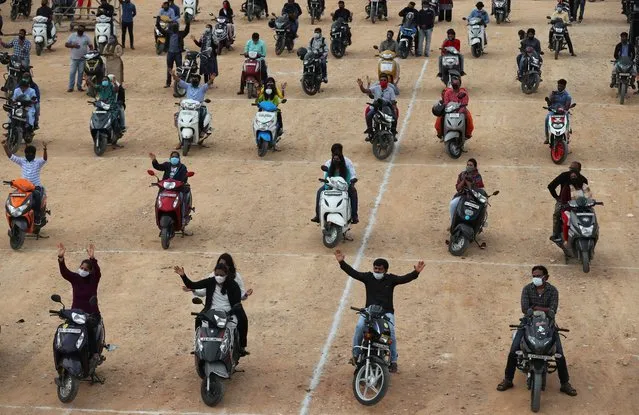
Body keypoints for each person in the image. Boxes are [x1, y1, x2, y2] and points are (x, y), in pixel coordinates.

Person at [335, 249, 424, 373]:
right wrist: (342, 263)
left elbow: (404, 278)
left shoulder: (391, 279)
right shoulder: (368, 277)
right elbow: (353, 273)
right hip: (369, 312)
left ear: (385, 270)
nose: (377, 271)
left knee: (390, 333)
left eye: (380, 269)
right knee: (360, 327)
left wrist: (416, 272)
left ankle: (393, 361)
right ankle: (355, 355)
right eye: (375, 268)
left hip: (386, 313)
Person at [496, 266, 578, 397]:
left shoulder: (553, 291)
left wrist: (534, 308)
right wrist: (540, 309)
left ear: (546, 277)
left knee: (559, 355)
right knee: (513, 351)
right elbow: (525, 309)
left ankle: (565, 384)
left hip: (548, 325)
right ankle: (508, 379)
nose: (536, 278)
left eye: (539, 276)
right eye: (534, 275)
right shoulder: (527, 289)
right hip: (527, 323)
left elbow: (552, 310)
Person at [174, 263, 250, 356]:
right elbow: (192, 285)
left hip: (228, 312)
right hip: (211, 310)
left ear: (226, 275)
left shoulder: (233, 285)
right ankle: (197, 345)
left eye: (221, 275)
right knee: (198, 319)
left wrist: (233, 310)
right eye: (217, 274)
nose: (218, 277)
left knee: (240, 322)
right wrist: (183, 276)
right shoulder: (210, 281)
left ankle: (240, 347)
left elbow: (237, 302)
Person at [57, 243, 104, 360]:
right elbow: (65, 272)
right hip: (76, 314)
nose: (82, 270)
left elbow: (97, 272)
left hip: (91, 315)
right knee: (66, 329)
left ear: (90, 271)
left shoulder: (93, 279)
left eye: (86, 269)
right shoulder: (76, 278)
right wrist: (61, 258)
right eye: (81, 268)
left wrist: (92, 258)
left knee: (89, 330)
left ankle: (94, 354)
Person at [311, 143, 359, 224]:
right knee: (319, 192)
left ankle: (354, 216)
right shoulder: (328, 163)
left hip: (344, 186)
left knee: (353, 192)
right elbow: (326, 177)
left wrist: (351, 182)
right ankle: (318, 215)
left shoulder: (347, 162)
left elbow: (352, 175)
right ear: (332, 153)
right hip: (331, 185)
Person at [2, 142, 47, 223]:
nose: (29, 155)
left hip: (35, 187)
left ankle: (37, 217)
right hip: (23, 187)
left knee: (37, 197)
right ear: (25, 154)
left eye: (31, 154)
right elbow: (11, 156)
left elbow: (44, 159)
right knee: (14, 197)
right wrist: (5, 146)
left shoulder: (38, 162)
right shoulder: (22, 161)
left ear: (34, 154)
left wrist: (45, 149)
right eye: (28, 153)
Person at [171, 71, 214, 145]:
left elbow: (208, 83)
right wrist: (173, 75)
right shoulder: (187, 86)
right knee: (178, 118)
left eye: (196, 79)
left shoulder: (202, 88)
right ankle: (180, 140)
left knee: (202, 120)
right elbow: (178, 80)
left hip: (198, 109)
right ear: (191, 80)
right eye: (193, 78)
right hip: (186, 108)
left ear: (199, 81)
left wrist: (212, 79)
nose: (194, 80)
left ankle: (202, 133)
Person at [547, 161, 587, 242]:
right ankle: (556, 234)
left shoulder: (583, 180)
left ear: (579, 170)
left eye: (574, 170)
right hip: (564, 202)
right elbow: (551, 186)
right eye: (571, 170)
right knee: (557, 214)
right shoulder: (565, 176)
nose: (572, 173)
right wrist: (557, 197)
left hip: (577, 203)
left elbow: (586, 193)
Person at [149, 152, 193, 222]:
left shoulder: (182, 167)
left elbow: (185, 178)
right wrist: (154, 160)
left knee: (182, 199)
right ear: (170, 158)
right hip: (165, 188)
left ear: (179, 159)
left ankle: (184, 217)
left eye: (176, 157)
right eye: (173, 157)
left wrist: (183, 180)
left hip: (177, 188)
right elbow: (158, 167)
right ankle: (158, 216)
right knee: (158, 200)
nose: (174, 158)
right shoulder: (167, 165)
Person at [358, 74, 398, 139]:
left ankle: (393, 133)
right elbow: (365, 91)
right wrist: (361, 86)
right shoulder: (376, 88)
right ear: (379, 81)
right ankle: (370, 132)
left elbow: (393, 101)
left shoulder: (391, 90)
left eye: (384, 80)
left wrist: (394, 109)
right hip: (376, 107)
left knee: (394, 118)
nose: (383, 81)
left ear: (387, 81)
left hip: (387, 107)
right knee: (368, 116)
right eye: (381, 80)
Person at [156, 18, 190, 88]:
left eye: (175, 26)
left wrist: (188, 23)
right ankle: (168, 83)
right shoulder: (168, 33)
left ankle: (180, 83)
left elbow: (187, 31)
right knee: (169, 68)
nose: (174, 27)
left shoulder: (180, 34)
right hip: (171, 53)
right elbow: (160, 30)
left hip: (177, 53)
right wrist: (157, 22)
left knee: (179, 68)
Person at [449, 158, 484, 226]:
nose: (468, 166)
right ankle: (452, 224)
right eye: (467, 165)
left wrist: (469, 184)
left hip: (474, 197)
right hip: (463, 195)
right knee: (452, 204)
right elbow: (458, 188)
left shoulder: (477, 176)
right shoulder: (462, 174)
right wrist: (464, 180)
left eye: (471, 165)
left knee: (480, 209)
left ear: (475, 167)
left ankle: (479, 225)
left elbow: (479, 189)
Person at [543, 79, 572, 144]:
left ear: (564, 87)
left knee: (567, 119)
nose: (559, 87)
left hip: (563, 112)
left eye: (561, 86)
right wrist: (548, 101)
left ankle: (567, 135)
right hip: (553, 111)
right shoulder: (553, 93)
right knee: (547, 119)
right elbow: (550, 104)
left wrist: (563, 110)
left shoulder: (568, 96)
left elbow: (567, 107)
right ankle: (547, 138)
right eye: (558, 86)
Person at [65, 25, 92, 92]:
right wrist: (73, 45)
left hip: (83, 59)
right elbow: (66, 44)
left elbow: (90, 45)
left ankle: (79, 87)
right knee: (72, 72)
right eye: (79, 30)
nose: (80, 32)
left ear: (83, 31)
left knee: (80, 73)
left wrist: (91, 52)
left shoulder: (86, 37)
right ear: (77, 30)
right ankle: (71, 87)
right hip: (74, 58)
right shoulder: (72, 36)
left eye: (82, 31)